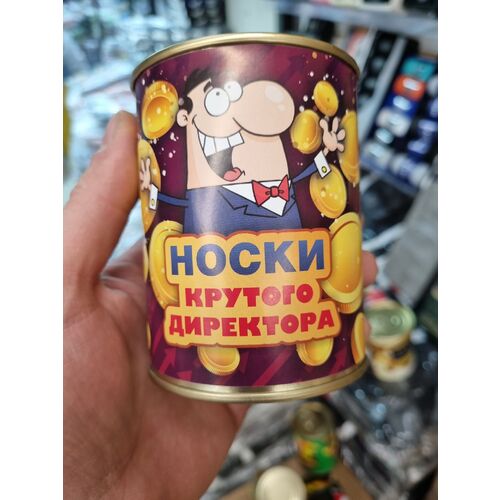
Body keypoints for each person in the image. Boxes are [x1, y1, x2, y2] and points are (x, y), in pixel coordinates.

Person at [64, 111, 377, 499]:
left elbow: (308, 170)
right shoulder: (202, 196)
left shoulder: (293, 182)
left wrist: (326, 151)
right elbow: (180, 189)